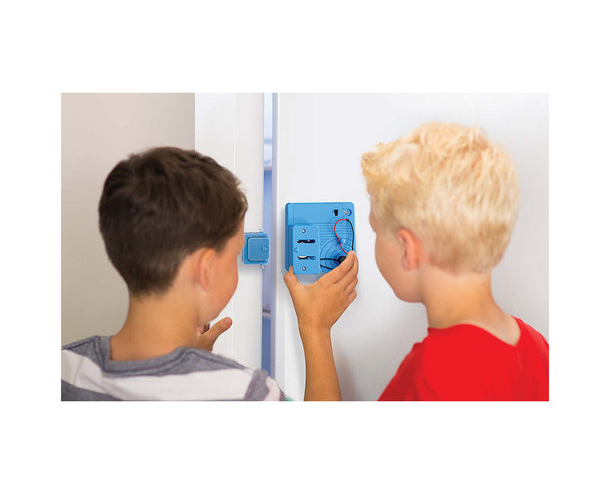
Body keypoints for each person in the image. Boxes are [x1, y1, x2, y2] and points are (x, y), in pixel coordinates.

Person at [62, 146, 358, 401]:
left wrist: (191, 356)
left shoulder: (66, 367)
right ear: (206, 270)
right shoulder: (246, 393)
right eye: (235, 254)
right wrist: (316, 328)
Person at [285, 122, 548, 400]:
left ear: (407, 250)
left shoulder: (430, 377)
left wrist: (315, 328)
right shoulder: (537, 348)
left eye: (375, 231)